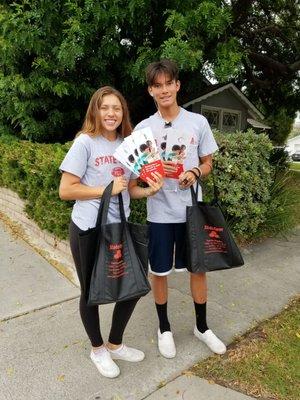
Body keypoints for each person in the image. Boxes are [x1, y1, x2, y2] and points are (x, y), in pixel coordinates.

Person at [59, 86, 163, 378]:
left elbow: (127, 189)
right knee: (90, 291)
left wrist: (148, 189)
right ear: (95, 110)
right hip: (89, 229)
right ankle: (98, 349)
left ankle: (115, 343)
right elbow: (66, 190)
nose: (110, 113)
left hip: (121, 228)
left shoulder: (128, 145)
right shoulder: (85, 143)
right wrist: (103, 189)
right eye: (104, 107)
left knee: (133, 286)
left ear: (123, 113)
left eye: (116, 108)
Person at [128, 60, 226, 359]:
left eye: (168, 83)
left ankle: (202, 326)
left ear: (177, 85)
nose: (164, 89)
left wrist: (194, 172)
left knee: (198, 268)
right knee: (159, 272)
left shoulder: (198, 123)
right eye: (157, 85)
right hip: (159, 212)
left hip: (190, 209)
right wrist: (152, 175)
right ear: (151, 91)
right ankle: (164, 328)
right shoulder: (144, 128)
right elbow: (137, 173)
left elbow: (208, 162)